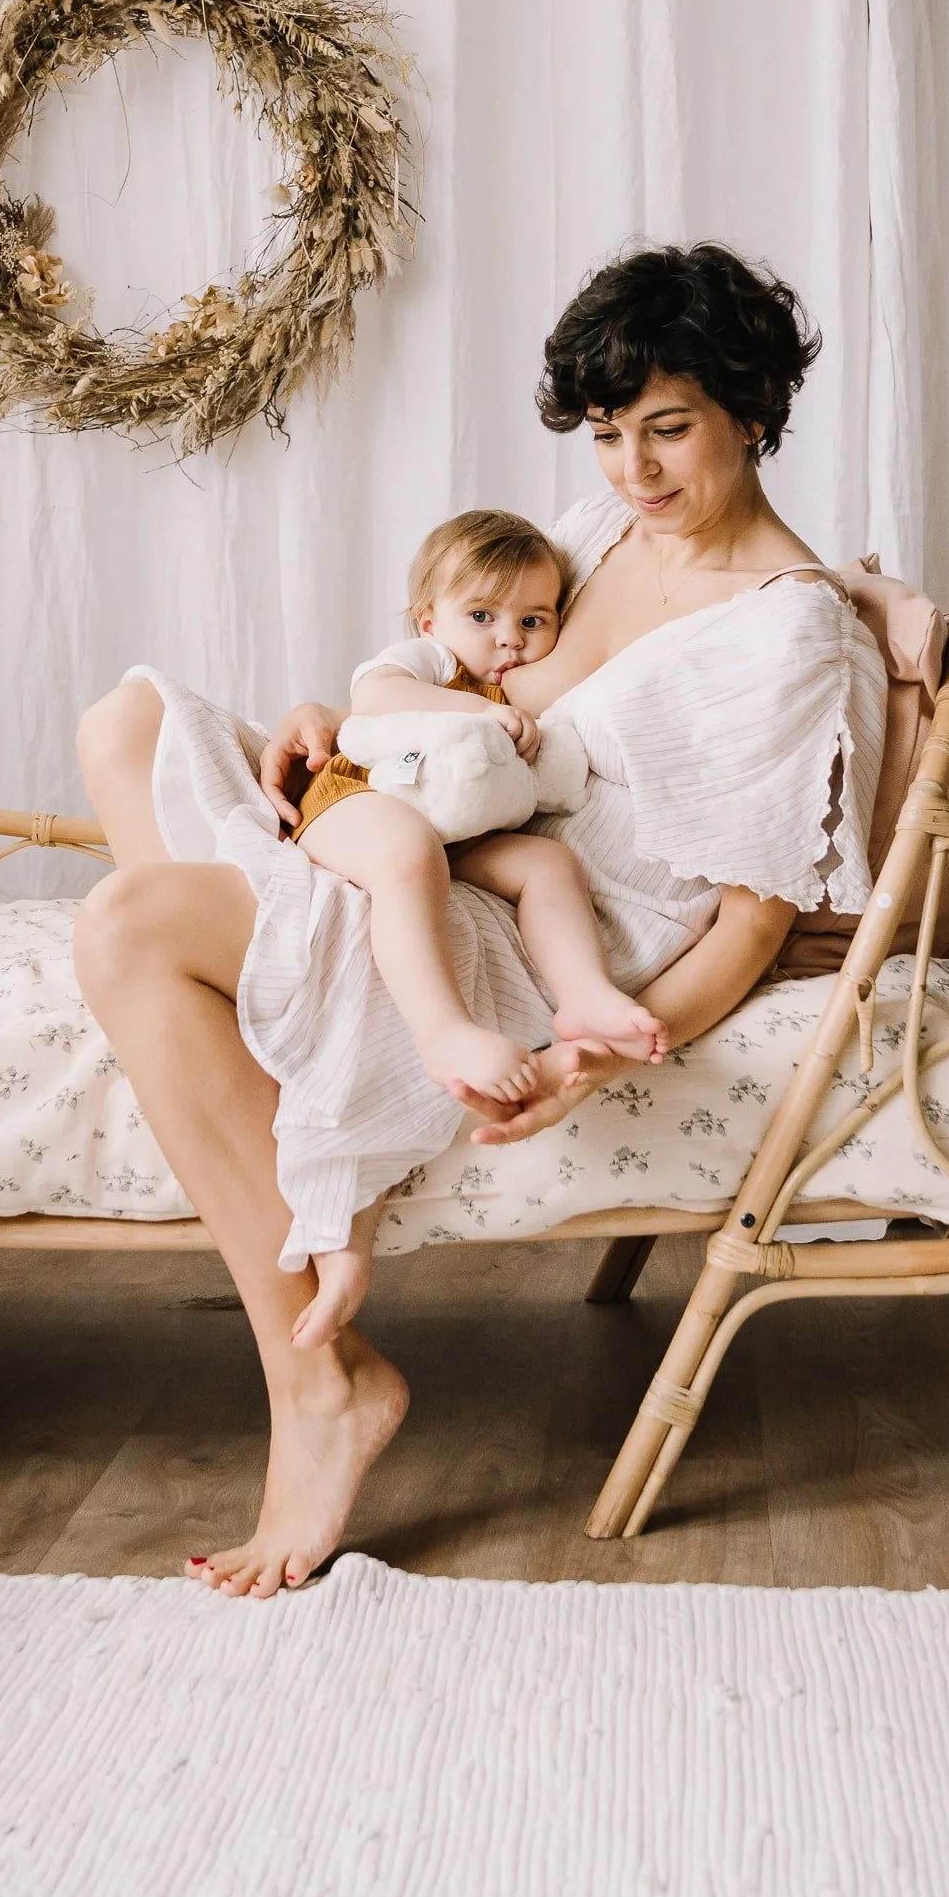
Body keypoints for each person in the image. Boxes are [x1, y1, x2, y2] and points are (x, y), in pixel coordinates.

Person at [73, 241, 888, 1597]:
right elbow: (459, 672)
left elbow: (749, 928)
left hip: (527, 935)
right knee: (129, 721)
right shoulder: (599, 529)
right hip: (442, 845)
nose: (633, 467)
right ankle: (280, 1040)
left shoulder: (791, 636)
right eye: (612, 431)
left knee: (128, 927)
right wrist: (343, 724)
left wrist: (588, 1055)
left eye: (669, 429)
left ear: (753, 409)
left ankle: (317, 1379)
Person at [285, 506, 668, 1348]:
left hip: (461, 831)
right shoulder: (426, 665)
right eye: (484, 617)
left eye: (534, 620)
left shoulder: (517, 694)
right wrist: (469, 714)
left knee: (549, 867)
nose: (509, 639)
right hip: (356, 803)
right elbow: (372, 694)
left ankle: (585, 996)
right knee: (407, 852)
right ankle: (443, 1032)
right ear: (433, 619)